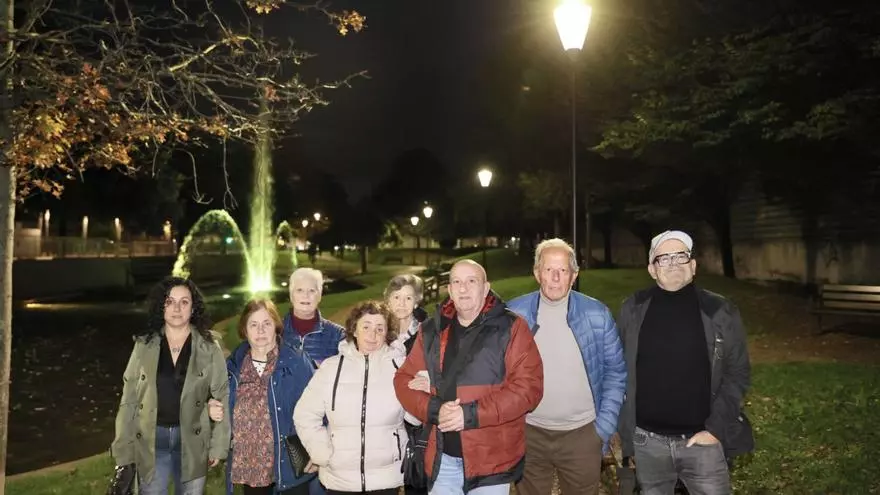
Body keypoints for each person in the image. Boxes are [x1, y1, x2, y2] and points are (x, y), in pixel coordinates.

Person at [617, 230, 753, 495]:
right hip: (648, 444)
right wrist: (628, 438)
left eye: (680, 256)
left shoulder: (720, 311)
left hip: (703, 443)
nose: (673, 264)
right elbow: (617, 372)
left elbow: (738, 373)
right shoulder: (632, 309)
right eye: (664, 259)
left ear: (693, 265)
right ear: (652, 269)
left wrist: (714, 430)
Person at [394, 260, 544, 495]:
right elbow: (403, 381)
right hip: (441, 459)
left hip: (491, 460)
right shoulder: (432, 330)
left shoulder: (512, 328)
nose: (463, 288)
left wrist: (470, 414)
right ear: (450, 290)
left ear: (485, 288)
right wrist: (434, 409)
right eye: (456, 282)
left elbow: (528, 389)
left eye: (471, 281)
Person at [507, 238, 627, 495]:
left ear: (574, 275)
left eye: (563, 270)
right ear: (537, 273)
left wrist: (602, 428)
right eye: (548, 269)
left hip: (582, 434)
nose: (555, 277)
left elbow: (616, 373)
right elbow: (498, 372)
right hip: (529, 432)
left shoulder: (597, 314)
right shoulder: (514, 314)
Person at [111, 277, 229, 495]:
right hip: (152, 442)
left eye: (184, 302)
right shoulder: (144, 345)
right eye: (170, 301)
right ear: (161, 306)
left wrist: (219, 445)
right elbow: (128, 400)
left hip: (193, 441)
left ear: (193, 308)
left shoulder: (209, 347)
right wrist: (123, 450)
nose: (177, 308)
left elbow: (223, 395)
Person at [293, 300, 410, 495]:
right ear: (354, 330)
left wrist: (422, 386)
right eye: (366, 327)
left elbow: (416, 416)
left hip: (386, 479)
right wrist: (322, 453)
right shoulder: (331, 368)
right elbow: (304, 414)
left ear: (387, 333)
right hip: (339, 480)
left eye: (380, 329)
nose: (372, 335)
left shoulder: (400, 368)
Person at [217, 298, 317, 495]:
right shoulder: (233, 367)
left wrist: (318, 451)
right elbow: (218, 401)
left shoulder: (296, 361)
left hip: (289, 463)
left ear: (276, 326)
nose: (260, 331)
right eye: (253, 325)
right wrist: (214, 406)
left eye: (266, 324)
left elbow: (320, 407)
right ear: (245, 330)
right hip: (252, 466)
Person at [283, 268, 345, 365]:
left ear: (319, 295)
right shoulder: (275, 331)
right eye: (299, 290)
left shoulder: (338, 335)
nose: (306, 295)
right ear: (291, 295)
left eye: (312, 291)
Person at [385, 274, 428, 353]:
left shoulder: (428, 333)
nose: (402, 303)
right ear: (389, 301)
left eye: (408, 298)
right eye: (397, 297)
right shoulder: (379, 331)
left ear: (416, 302)